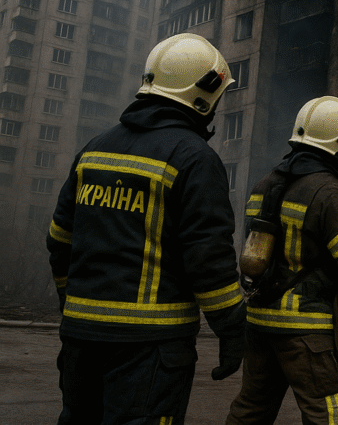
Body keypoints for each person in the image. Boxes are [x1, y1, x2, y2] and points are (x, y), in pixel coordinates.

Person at [46, 32, 246, 424]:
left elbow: (59, 239)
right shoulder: (194, 159)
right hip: (149, 348)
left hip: (80, 339)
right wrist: (232, 329)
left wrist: (74, 304)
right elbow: (208, 261)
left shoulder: (94, 149)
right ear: (203, 94)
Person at [226, 96, 338, 425]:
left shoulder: (264, 185)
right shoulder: (329, 191)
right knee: (329, 413)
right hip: (308, 332)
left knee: (252, 409)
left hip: (259, 325)